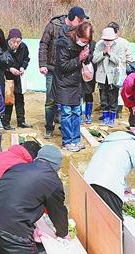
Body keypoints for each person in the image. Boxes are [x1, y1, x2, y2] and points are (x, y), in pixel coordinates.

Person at [0, 145, 68, 254]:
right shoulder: (52, 179)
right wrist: (63, 233)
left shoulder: (18, 167)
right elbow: (58, 212)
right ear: (56, 166)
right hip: (12, 227)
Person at [84, 131, 135, 220]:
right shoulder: (132, 143)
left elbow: (115, 169)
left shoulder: (107, 143)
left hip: (87, 181)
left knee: (96, 218)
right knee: (114, 223)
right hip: (108, 186)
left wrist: (126, 188)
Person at [39, 6, 88, 139]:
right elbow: (43, 44)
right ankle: (49, 127)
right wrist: (42, 64)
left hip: (69, 70)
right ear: (72, 17)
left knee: (67, 102)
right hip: (52, 68)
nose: (81, 22)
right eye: (79, 19)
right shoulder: (53, 26)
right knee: (51, 100)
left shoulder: (78, 30)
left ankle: (64, 127)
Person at [52, 22, 93, 152]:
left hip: (77, 83)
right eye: (83, 40)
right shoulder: (64, 44)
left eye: (87, 41)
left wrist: (86, 57)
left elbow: (87, 60)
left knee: (77, 112)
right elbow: (63, 66)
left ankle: (76, 140)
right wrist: (79, 58)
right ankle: (67, 141)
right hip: (64, 83)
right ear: (77, 34)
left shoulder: (86, 44)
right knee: (67, 113)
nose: (84, 42)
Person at [93, 27, 125, 127]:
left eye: (110, 40)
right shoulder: (99, 45)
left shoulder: (119, 45)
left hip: (113, 76)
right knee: (103, 98)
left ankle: (112, 118)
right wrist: (103, 53)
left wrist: (110, 53)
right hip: (102, 76)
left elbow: (120, 60)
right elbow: (94, 59)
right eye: (106, 40)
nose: (107, 42)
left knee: (113, 98)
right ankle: (105, 117)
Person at [3, 28, 32, 130]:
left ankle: (21, 121)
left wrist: (23, 67)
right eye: (13, 42)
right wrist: (9, 69)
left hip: (18, 76)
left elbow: (26, 58)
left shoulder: (23, 47)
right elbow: (0, 61)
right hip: (7, 76)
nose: (15, 44)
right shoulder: (3, 47)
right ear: (9, 40)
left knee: (20, 98)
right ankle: (6, 122)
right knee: (8, 99)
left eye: (18, 42)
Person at [107, 22, 133, 119]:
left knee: (111, 91)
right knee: (118, 91)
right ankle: (117, 112)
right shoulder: (124, 42)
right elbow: (130, 58)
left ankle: (114, 112)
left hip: (114, 70)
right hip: (120, 69)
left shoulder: (121, 42)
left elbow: (129, 58)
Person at [83, 39, 97, 124]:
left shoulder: (94, 44)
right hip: (79, 70)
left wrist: (87, 56)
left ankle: (88, 114)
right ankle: (80, 114)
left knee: (89, 93)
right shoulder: (78, 42)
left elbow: (95, 57)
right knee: (79, 94)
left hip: (90, 72)